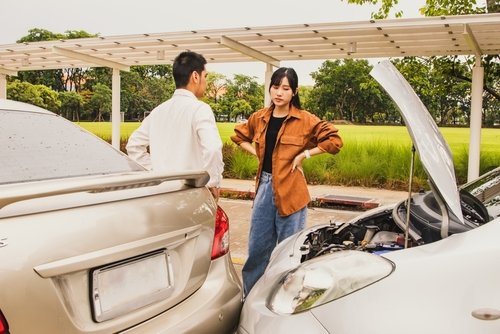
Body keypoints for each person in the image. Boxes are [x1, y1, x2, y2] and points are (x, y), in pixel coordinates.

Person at [230, 67, 343, 297]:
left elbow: (334, 141)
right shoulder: (259, 117)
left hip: (292, 191)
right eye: (275, 87)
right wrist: (258, 153)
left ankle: (287, 301)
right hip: (264, 188)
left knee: (291, 255)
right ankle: (249, 299)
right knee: (257, 253)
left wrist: (304, 155)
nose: (279, 92)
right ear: (270, 88)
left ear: (294, 92)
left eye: (285, 88)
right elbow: (239, 136)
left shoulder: (305, 120)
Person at [126, 51, 223, 201]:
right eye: (205, 76)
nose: (206, 81)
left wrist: (155, 172)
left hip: (160, 193)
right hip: (191, 193)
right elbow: (213, 149)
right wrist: (212, 182)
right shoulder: (199, 109)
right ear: (195, 76)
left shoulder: (158, 111)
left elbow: (133, 146)